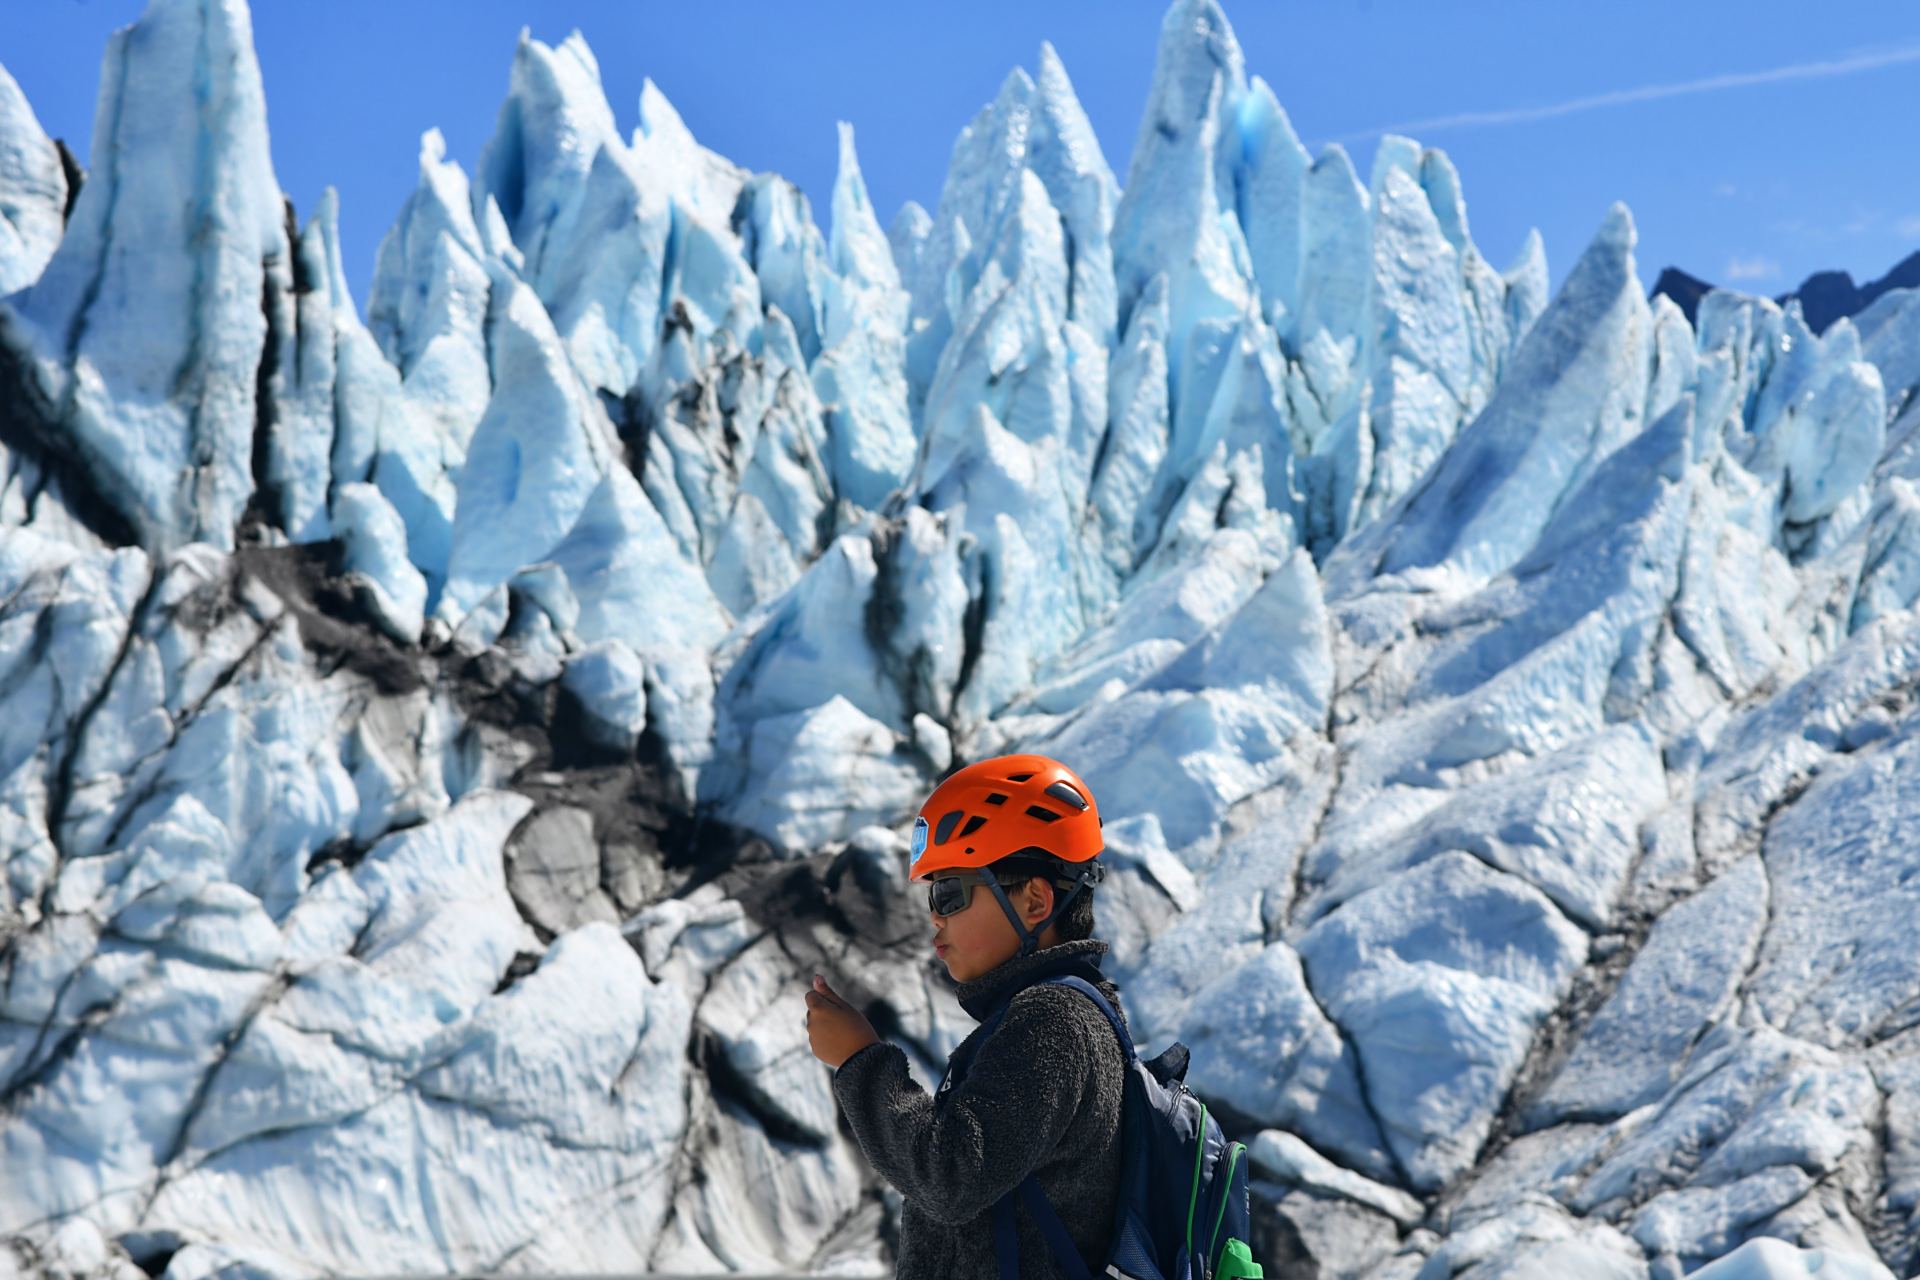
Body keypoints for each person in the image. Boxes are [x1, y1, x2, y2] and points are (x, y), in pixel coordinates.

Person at [804, 753, 1127, 1279]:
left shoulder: (1054, 1022)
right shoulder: (1063, 1014)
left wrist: (859, 1060)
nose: (934, 913)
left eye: (950, 892)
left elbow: (949, 1177)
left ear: (1035, 901)